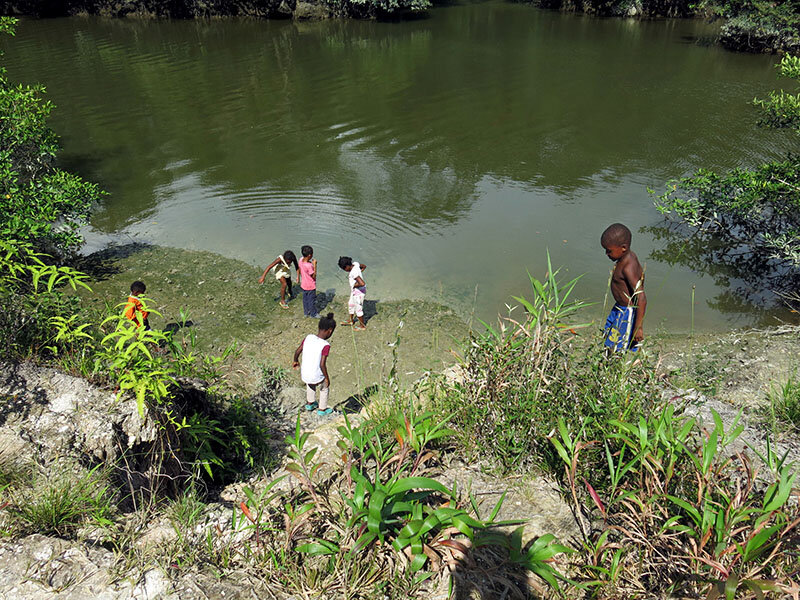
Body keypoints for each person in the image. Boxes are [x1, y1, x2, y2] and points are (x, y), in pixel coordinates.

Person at [600, 223, 647, 352]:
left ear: (623, 248)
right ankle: (607, 361)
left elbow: (641, 297)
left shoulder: (628, 267)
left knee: (618, 345)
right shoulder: (625, 258)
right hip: (619, 308)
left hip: (626, 311)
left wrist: (638, 327)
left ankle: (615, 366)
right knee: (608, 335)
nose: (606, 254)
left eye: (609, 251)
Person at [292, 313, 336, 416]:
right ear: (329, 331)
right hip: (315, 375)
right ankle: (322, 409)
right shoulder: (325, 345)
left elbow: (298, 351)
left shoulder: (309, 337)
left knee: (310, 383)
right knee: (324, 387)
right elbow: (322, 364)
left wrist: (295, 360)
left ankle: (310, 403)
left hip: (305, 374)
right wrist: (326, 378)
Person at [337, 256, 366, 330]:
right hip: (354, 292)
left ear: (347, 266)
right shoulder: (355, 264)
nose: (344, 270)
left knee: (358, 309)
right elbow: (364, 266)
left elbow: (362, 283)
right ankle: (351, 320)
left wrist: (354, 285)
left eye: (344, 269)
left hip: (358, 293)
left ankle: (362, 326)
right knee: (351, 304)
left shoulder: (353, 273)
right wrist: (360, 272)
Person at [299, 245, 319, 318]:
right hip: (310, 286)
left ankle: (306, 312)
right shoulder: (309, 266)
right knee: (311, 301)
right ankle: (313, 314)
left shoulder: (300, 260)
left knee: (305, 299)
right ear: (310, 255)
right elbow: (313, 276)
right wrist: (315, 265)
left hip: (304, 284)